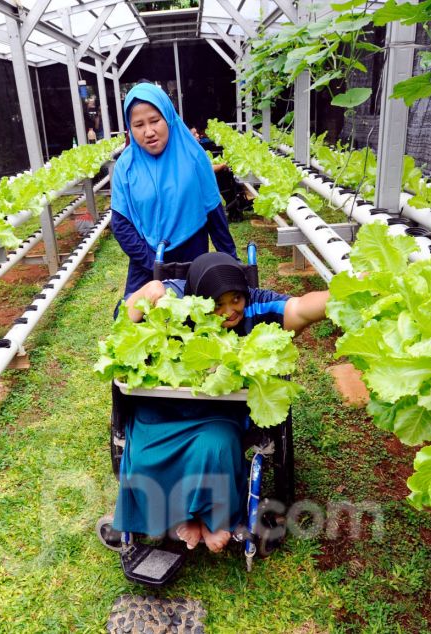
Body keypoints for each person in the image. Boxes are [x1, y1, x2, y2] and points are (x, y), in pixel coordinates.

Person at [113, 252, 329, 552]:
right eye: (218, 303)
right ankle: (183, 517)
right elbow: (121, 320)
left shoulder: (256, 305)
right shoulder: (176, 299)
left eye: (236, 300)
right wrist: (149, 292)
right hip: (163, 405)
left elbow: (302, 308)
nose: (230, 311)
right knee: (145, 450)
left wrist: (346, 292)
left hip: (218, 410)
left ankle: (211, 518)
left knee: (216, 444)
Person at [111, 84, 238, 297]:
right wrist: (153, 263)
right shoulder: (126, 165)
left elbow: (213, 212)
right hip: (146, 259)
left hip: (192, 256)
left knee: (193, 318)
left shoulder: (193, 156)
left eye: (155, 121)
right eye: (138, 124)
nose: (149, 132)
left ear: (168, 117)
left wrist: (232, 264)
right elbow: (120, 223)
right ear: (129, 128)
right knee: (129, 316)